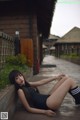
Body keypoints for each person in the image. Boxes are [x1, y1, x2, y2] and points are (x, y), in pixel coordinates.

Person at [9, 70, 80, 117]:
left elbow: (41, 82)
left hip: (47, 98)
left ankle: (78, 99)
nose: (21, 79)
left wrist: (55, 77)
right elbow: (28, 108)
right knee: (70, 81)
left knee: (65, 78)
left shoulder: (27, 84)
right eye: (16, 78)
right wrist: (45, 112)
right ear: (14, 82)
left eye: (20, 75)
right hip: (49, 104)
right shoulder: (20, 91)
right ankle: (78, 99)